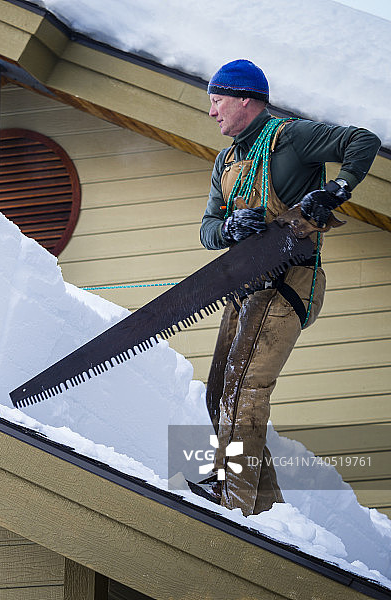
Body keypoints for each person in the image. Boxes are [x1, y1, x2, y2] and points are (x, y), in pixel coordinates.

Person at [199, 59, 381, 516]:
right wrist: (229, 229)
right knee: (219, 392)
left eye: (217, 101)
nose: (212, 111)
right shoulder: (226, 161)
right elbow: (207, 228)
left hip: (289, 281)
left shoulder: (291, 137)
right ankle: (265, 511)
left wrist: (337, 189)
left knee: (244, 389)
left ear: (245, 100)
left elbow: (363, 141)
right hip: (245, 286)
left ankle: (233, 500)